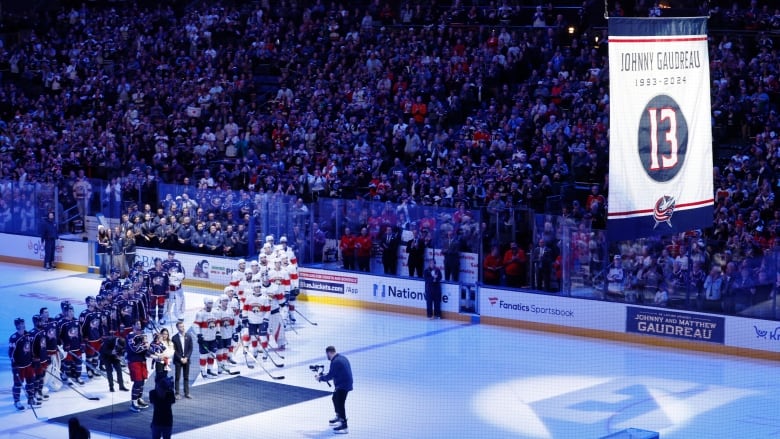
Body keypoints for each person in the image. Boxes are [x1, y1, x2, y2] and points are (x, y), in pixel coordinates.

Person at [315, 346, 353, 435]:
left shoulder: (335, 362)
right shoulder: (341, 358)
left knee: (340, 403)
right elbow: (334, 373)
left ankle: (344, 426)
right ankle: (339, 416)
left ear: (329, 353)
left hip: (343, 385)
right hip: (345, 383)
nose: (326, 356)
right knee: (335, 398)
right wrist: (323, 376)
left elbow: (330, 375)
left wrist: (320, 378)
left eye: (326, 354)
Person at [9, 317, 38, 410]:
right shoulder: (14, 338)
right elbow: (11, 353)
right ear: (16, 326)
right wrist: (14, 364)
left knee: (31, 382)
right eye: (20, 324)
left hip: (28, 364)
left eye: (23, 323)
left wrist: (33, 359)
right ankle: (17, 401)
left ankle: (31, 399)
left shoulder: (28, 335)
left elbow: (31, 349)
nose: (22, 325)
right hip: (19, 366)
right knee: (18, 384)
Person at [126, 321, 151, 412]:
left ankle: (139, 399)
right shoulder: (130, 336)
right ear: (133, 325)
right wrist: (145, 346)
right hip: (134, 361)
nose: (139, 325)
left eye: (140, 324)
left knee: (142, 381)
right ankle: (133, 403)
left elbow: (147, 347)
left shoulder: (143, 334)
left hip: (142, 361)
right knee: (138, 382)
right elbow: (135, 349)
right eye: (137, 324)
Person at [150, 373, 176, 439]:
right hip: (167, 421)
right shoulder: (170, 393)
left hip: (156, 421)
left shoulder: (152, 393)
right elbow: (172, 401)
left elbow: (155, 402)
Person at [162, 251, 186, 323]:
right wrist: (170, 280)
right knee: (168, 303)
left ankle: (179, 315)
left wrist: (179, 279)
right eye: (170, 255)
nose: (171, 256)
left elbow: (182, 274)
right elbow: (164, 275)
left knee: (179, 302)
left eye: (172, 255)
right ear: (168, 255)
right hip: (169, 288)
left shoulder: (178, 263)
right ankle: (165, 317)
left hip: (178, 288)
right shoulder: (164, 263)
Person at [171, 321, 193, 399]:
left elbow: (190, 349)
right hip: (178, 360)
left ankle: (187, 393)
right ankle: (177, 393)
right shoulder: (174, 338)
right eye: (180, 327)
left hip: (186, 360)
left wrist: (186, 358)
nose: (182, 328)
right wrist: (180, 358)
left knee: (186, 377)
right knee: (177, 377)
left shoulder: (189, 336)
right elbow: (174, 350)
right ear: (177, 328)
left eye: (183, 326)